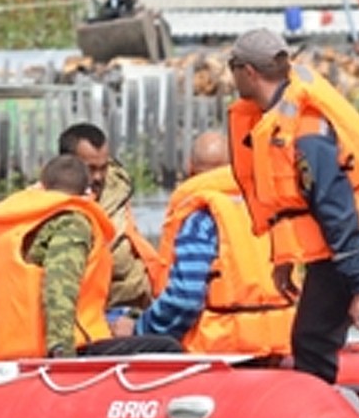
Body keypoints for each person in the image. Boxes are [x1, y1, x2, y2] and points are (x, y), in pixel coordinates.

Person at [226, 28, 359, 383]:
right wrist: (283, 258)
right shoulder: (276, 115)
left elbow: (336, 207)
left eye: (232, 67)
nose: (230, 75)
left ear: (248, 72)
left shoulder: (307, 128)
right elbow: (294, 205)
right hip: (337, 245)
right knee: (310, 338)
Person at [0, 154, 181, 360]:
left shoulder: (2, 227)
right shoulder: (71, 222)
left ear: (43, 185)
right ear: (86, 192)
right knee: (168, 348)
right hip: (61, 351)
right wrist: (62, 354)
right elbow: (59, 286)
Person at [113, 130, 294, 362]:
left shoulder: (202, 219)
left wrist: (140, 330)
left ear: (190, 168)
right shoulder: (272, 211)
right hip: (279, 347)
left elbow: (185, 298)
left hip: (224, 354)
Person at [57, 122, 162, 312]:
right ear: (67, 165)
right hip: (89, 309)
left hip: (138, 299)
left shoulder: (117, 191)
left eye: (103, 168)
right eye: (90, 169)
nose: (98, 177)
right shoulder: (51, 204)